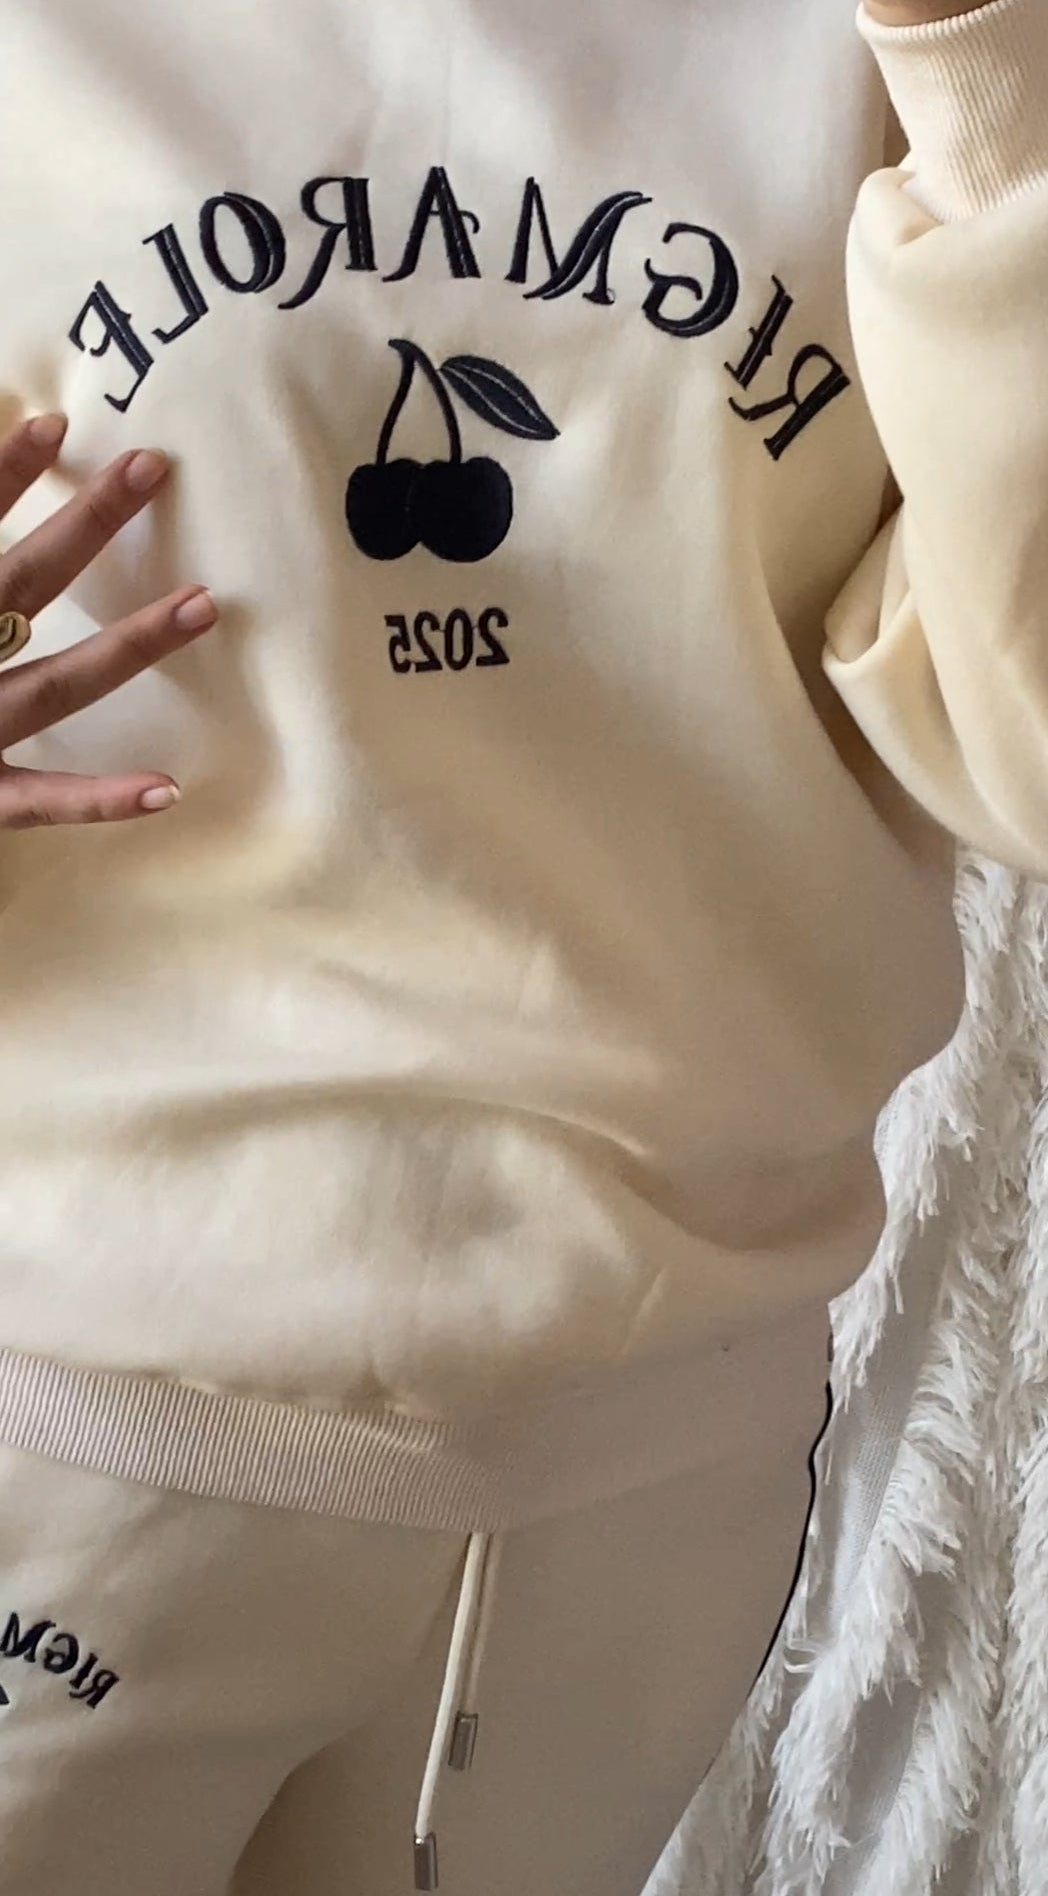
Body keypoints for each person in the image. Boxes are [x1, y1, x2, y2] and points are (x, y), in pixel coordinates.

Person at [0, 0, 1043, 1890]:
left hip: (645, 1485)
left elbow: (1026, 749)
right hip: (64, 1416)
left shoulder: (911, 55)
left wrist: (984, 82)